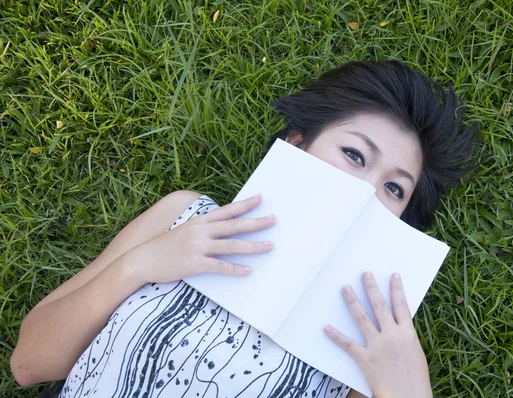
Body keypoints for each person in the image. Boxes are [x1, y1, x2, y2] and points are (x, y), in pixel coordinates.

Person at [10, 60, 480, 398]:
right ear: (295, 144)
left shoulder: (373, 334)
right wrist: (139, 265)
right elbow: (28, 364)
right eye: (355, 155)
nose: (364, 193)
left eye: (394, 189)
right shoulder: (184, 215)